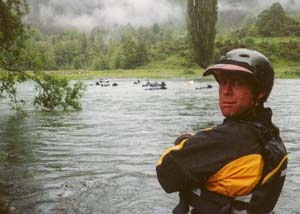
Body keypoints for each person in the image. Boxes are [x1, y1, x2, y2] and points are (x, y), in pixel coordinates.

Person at [156, 48, 288, 214]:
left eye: (237, 83)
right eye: (223, 82)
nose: (226, 91)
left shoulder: (228, 140)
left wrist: (186, 142)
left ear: (260, 92)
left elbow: (166, 172)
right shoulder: (270, 135)